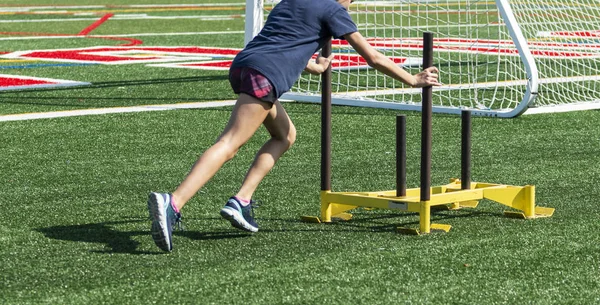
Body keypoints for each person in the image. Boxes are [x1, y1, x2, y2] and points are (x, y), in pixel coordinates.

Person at [147, 0, 442, 252]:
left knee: (285, 135)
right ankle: (173, 202)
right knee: (230, 143)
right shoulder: (333, 9)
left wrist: (312, 66)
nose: (350, 5)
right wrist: (413, 80)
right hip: (265, 74)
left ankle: (241, 200)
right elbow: (373, 57)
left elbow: (284, 39)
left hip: (244, 67)